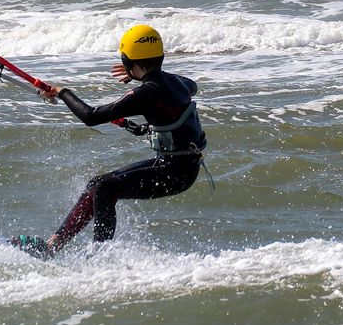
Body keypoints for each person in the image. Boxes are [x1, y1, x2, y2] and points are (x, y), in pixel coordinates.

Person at [11, 23, 208, 259]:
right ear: (161, 56)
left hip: (175, 174)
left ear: (127, 61)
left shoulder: (147, 93)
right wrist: (140, 76)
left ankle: (100, 258)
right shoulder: (176, 83)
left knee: (106, 187)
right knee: (97, 184)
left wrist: (62, 92)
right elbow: (188, 88)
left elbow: (91, 116)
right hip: (179, 167)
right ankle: (52, 246)